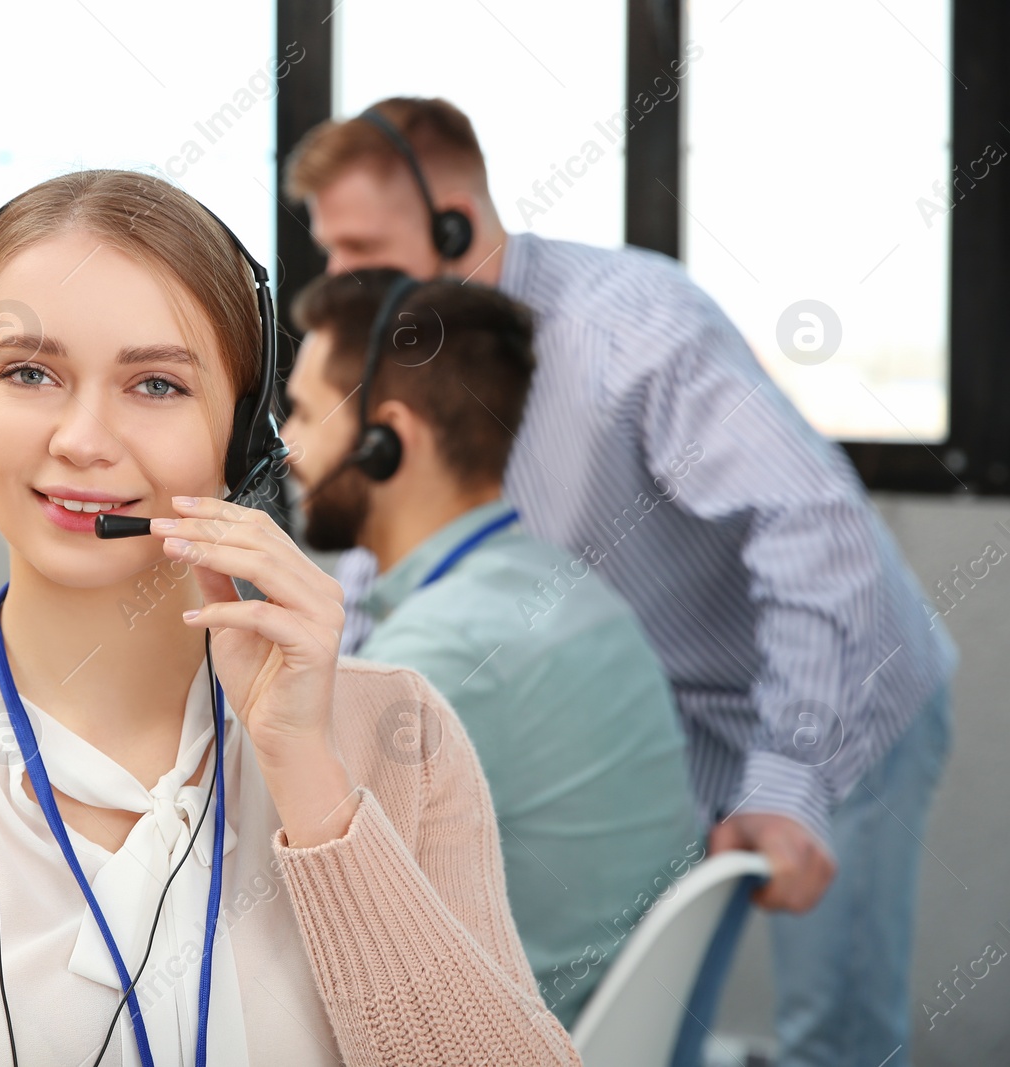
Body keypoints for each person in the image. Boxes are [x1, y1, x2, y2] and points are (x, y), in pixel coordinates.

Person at [0, 169, 580, 1066]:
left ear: (244, 436)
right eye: (29, 372)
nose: (81, 438)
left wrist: (311, 780)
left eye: (156, 385)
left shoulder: (400, 739)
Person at [284, 97, 957, 1067]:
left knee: (834, 1040)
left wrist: (788, 776)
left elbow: (816, 525)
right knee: (665, 978)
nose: (342, 278)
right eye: (329, 251)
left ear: (453, 225)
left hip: (835, 686)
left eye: (361, 249)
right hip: (666, 709)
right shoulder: (429, 366)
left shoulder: (626, 324)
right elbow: (385, 547)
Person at [281, 267, 700, 1028]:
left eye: (305, 414)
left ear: (385, 441)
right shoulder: (568, 590)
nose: (286, 449)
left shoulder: (440, 656)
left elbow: (317, 916)